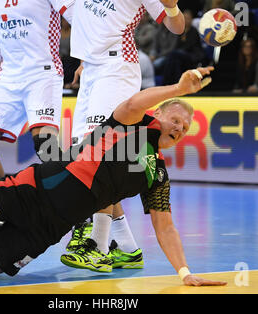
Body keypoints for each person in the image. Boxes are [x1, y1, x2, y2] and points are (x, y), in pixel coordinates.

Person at [0, 66, 226, 287]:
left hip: (51, 227)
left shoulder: (157, 174)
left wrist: (185, 273)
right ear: (159, 114)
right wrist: (178, 89)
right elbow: (135, 102)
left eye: (185, 127)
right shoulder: (133, 123)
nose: (179, 128)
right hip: (30, 191)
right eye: (175, 119)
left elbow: (165, 227)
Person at [65, 0, 185, 272]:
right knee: (81, 156)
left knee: (96, 154)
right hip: (92, 69)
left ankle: (98, 246)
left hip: (116, 68)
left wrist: (173, 7)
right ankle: (128, 248)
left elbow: (176, 27)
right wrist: (85, 60)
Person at [0, 0, 74, 243]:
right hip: (9, 77)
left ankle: (79, 213)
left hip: (43, 73)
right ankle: (2, 211)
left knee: (47, 147)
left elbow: (78, 18)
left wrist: (86, 60)